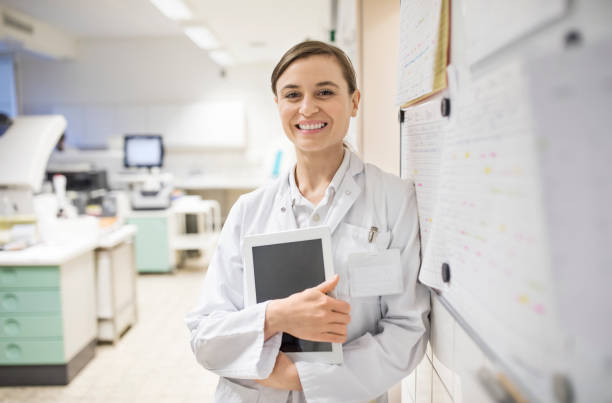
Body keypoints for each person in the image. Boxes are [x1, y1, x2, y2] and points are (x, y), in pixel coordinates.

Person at [185, 40, 430, 403]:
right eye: (292, 94)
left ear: (355, 101)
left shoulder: (394, 200)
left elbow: (406, 331)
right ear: (278, 105)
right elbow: (205, 336)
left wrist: (298, 377)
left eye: (325, 91)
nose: (307, 107)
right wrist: (276, 315)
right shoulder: (249, 211)